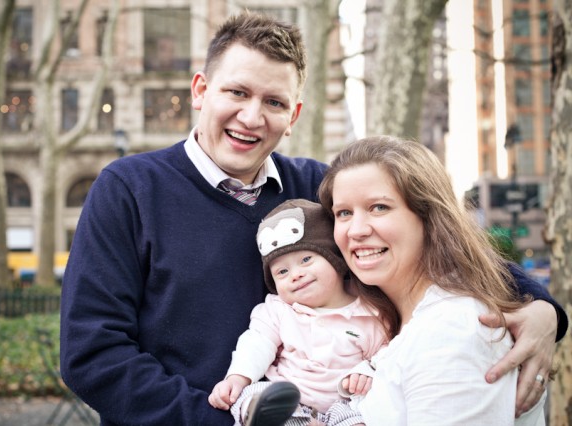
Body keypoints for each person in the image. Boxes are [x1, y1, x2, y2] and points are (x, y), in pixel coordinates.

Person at [60, 12, 567, 426]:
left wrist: (542, 308)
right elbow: (93, 355)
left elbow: (432, 245)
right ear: (201, 90)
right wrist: (229, 422)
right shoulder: (128, 190)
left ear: (294, 115)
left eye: (273, 102)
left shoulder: (317, 189)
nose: (253, 117)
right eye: (237, 92)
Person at [318, 135, 555, 424]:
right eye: (343, 213)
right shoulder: (395, 321)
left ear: (429, 217)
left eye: (379, 207)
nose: (355, 230)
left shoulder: (454, 328)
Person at [209, 199, 386, 425]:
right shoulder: (279, 310)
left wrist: (366, 370)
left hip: (342, 403)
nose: (295, 274)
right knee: (252, 397)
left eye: (306, 259)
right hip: (286, 398)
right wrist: (238, 377)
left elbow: (386, 353)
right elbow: (257, 343)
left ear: (335, 259)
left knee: (363, 415)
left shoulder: (369, 312)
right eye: (282, 271)